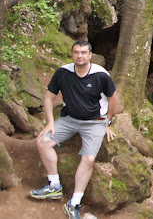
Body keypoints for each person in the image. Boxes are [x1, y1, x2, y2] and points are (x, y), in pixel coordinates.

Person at [29, 40, 116, 219]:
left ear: (90, 55)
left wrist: (107, 122)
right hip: (69, 119)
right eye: (76, 52)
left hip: (95, 121)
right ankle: (54, 185)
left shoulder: (101, 75)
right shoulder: (63, 73)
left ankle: (74, 203)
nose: (80, 56)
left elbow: (113, 98)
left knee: (89, 158)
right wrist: (50, 123)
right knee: (43, 142)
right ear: (72, 54)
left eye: (84, 52)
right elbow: (48, 98)